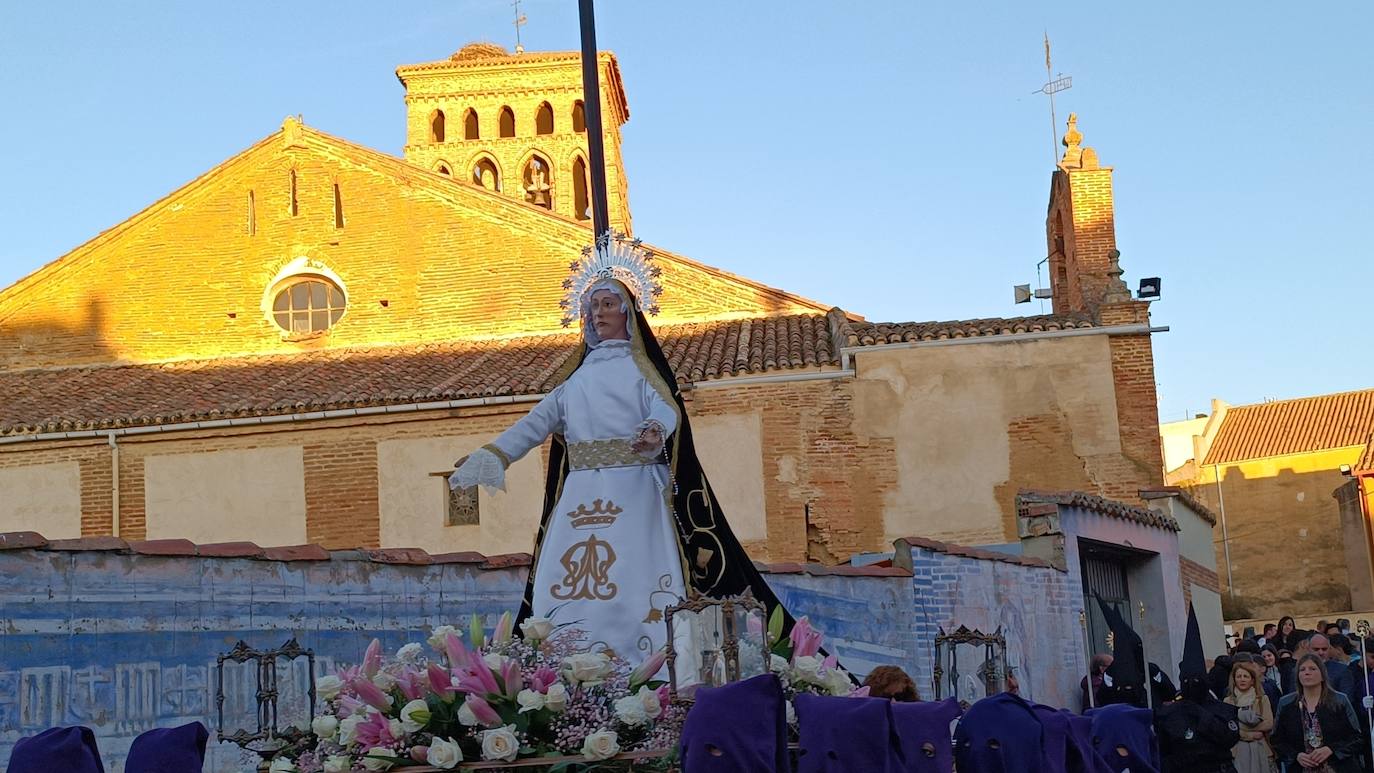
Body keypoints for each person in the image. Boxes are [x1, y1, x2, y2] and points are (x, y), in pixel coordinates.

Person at [450, 238, 800, 666]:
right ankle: (566, 662)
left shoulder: (641, 371)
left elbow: (665, 407)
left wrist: (654, 430)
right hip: (579, 496)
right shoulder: (573, 383)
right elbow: (533, 425)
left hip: (634, 488)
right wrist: (491, 455)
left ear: (627, 312)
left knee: (636, 572)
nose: (598, 313)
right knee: (563, 577)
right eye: (592, 305)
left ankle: (648, 663)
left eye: (607, 304)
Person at [1155, 603, 1241, 772]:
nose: (1191, 685)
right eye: (1187, 682)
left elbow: (1229, 738)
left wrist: (1200, 714)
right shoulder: (1168, 714)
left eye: (1196, 681)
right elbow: (1163, 751)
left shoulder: (1223, 710)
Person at [1272, 654, 1364, 772]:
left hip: (1337, 767)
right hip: (1301, 768)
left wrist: (1332, 750)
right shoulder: (1286, 703)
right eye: (1302, 669)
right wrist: (1296, 756)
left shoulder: (1339, 701)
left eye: (1312, 669)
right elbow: (1277, 740)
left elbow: (1357, 737)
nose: (1307, 672)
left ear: (1322, 675)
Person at [1225, 660, 1277, 773]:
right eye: (1239, 676)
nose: (1242, 679)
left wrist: (1241, 727)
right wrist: (1248, 734)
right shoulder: (1228, 701)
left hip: (1262, 749)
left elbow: (1269, 723)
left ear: (1252, 680)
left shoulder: (1262, 699)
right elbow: (1228, 727)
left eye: (1245, 676)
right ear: (1234, 679)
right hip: (1237, 752)